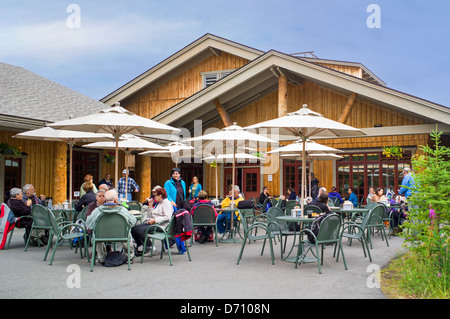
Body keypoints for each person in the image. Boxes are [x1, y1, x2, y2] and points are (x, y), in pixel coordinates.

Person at [85, 189, 136, 263]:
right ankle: (129, 256)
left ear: (105, 199)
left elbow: (89, 224)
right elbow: (133, 222)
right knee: (127, 233)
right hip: (121, 235)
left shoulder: (97, 211)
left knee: (96, 234)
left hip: (101, 236)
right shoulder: (122, 210)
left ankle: (101, 257)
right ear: (116, 199)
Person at [131, 187, 173, 257]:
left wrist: (154, 220)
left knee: (140, 231)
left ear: (160, 196)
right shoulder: (159, 203)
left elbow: (167, 217)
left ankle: (151, 248)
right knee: (134, 228)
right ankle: (142, 246)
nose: (154, 197)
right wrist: (150, 205)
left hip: (162, 226)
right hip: (154, 223)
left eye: (155, 195)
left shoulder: (166, 203)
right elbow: (151, 215)